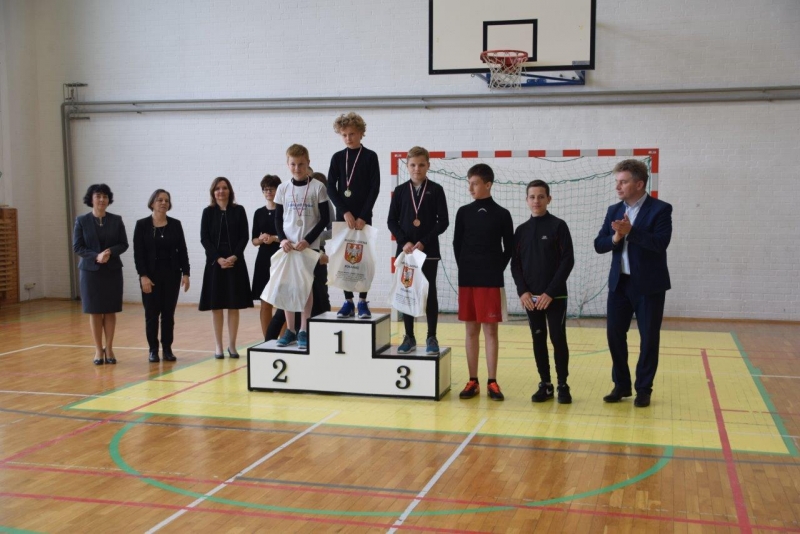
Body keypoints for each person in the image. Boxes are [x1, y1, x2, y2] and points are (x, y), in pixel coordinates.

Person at [594, 159, 672, 408]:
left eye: (623, 182)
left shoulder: (661, 209)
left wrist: (632, 232)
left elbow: (660, 243)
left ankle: (644, 388)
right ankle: (621, 385)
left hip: (649, 286)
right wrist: (616, 237)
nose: (618, 186)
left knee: (648, 338)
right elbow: (599, 244)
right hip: (619, 284)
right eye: (617, 182)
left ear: (639, 184)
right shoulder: (613, 210)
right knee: (614, 336)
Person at [452, 164, 514, 401]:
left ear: (488, 184)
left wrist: (495, 269)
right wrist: (467, 267)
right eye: (469, 183)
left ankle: (492, 382)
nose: (470, 188)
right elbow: (457, 244)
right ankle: (473, 381)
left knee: (490, 331)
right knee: (470, 331)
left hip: (491, 280)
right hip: (467, 278)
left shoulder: (502, 214)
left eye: (475, 183)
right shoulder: (463, 212)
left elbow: (509, 248)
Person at [511, 180, 575, 404]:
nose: (536, 201)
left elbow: (567, 261)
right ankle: (546, 384)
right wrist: (523, 292)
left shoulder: (559, 226)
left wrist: (550, 292)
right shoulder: (521, 231)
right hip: (531, 298)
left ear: (549, 199)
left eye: (541, 196)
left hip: (555, 296)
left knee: (558, 338)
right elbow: (515, 265)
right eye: (532, 197)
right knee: (538, 339)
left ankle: (563, 385)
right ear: (526, 200)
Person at [387, 146, 449, 355]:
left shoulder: (436, 190)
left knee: (430, 292)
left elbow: (443, 222)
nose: (417, 169)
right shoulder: (400, 191)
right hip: (406, 253)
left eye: (421, 165)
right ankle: (409, 336)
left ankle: (431, 336)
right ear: (407, 166)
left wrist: (423, 241)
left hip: (428, 251)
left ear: (428, 165)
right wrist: (403, 241)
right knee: (407, 291)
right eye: (413, 165)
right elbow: (391, 221)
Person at [274, 144, 330, 349]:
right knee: (288, 287)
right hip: (288, 247)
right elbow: (278, 219)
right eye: (293, 164)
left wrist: (308, 239)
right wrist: (282, 240)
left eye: (301, 164)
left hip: (308, 246)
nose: (297, 168)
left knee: (306, 287)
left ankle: (304, 329)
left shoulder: (318, 187)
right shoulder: (282, 189)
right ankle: (290, 330)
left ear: (308, 163)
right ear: (287, 164)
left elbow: (324, 218)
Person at [326, 112, 380, 319]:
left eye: (352, 134)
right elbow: (331, 188)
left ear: (361, 133)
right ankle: (348, 301)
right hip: (344, 217)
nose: (348, 138)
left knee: (363, 259)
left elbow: (374, 188)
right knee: (343, 259)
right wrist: (345, 212)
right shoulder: (337, 158)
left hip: (364, 218)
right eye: (344, 135)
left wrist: (363, 216)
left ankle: (363, 302)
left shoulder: (370, 156)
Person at [72, 184, 129, 365]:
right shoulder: (82, 220)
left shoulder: (116, 220)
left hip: (112, 270)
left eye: (105, 196)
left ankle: (109, 348)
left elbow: (123, 244)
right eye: (98, 196)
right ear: (91, 199)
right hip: (90, 272)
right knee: (95, 311)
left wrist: (109, 252)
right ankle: (98, 350)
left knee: (110, 311)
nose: (102, 199)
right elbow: (78, 247)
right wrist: (96, 256)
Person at [133, 189, 191, 363]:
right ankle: (153, 349)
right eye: (160, 200)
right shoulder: (142, 225)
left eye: (166, 200)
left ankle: (167, 348)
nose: (164, 203)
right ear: (152, 203)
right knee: (151, 314)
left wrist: (186, 273)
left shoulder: (175, 224)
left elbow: (182, 250)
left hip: (172, 275)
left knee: (168, 314)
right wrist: (143, 276)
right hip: (150, 276)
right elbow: (138, 254)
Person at [199, 177, 253, 359]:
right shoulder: (208, 212)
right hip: (215, 263)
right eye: (217, 188)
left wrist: (234, 256)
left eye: (224, 188)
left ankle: (232, 345)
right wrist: (218, 258)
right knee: (216, 306)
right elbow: (204, 238)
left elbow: (244, 236)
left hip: (235, 262)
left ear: (230, 191)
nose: (221, 191)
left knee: (233, 305)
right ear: (213, 193)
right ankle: (218, 346)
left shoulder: (239, 210)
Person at [251, 175, 282, 338]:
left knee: (282, 303)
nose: (268, 192)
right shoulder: (258, 213)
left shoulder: (284, 210)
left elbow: (289, 236)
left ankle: (284, 338)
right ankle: (267, 339)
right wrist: (261, 239)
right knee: (265, 303)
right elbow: (254, 240)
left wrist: (274, 238)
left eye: (271, 189)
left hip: (281, 257)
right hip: (263, 260)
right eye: (265, 189)